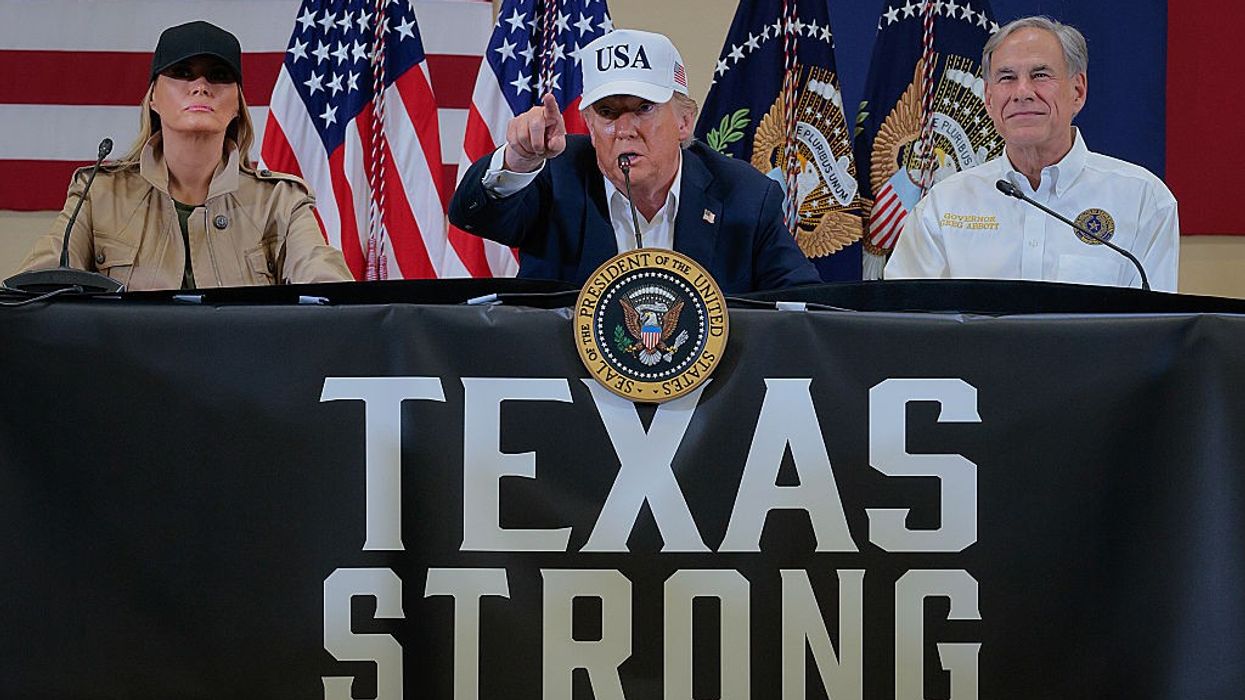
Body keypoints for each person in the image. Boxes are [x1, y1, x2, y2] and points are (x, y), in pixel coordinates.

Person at [449, 29, 820, 294]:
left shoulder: (746, 195)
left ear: (683, 122)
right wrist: (518, 160)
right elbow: (474, 214)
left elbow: (804, 309)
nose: (624, 129)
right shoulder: (555, 175)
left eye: (644, 109)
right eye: (608, 113)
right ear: (591, 128)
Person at [18, 21, 353, 291]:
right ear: (153, 98)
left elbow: (331, 291)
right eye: (182, 73)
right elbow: (37, 292)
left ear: (237, 104)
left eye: (219, 76)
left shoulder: (281, 201)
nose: (201, 86)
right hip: (124, 371)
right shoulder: (99, 194)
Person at [884, 16, 1179, 292]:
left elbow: (1155, 331)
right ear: (988, 98)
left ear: (1078, 91)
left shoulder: (1143, 200)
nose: (1022, 92)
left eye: (1040, 75)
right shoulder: (942, 205)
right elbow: (904, 324)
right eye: (1007, 78)